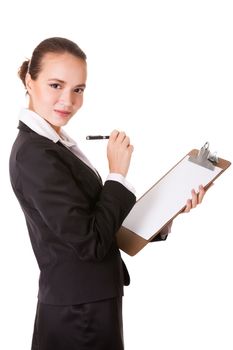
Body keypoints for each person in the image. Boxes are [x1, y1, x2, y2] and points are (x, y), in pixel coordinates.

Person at [9, 37, 206, 350]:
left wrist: (168, 209)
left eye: (78, 89)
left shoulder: (56, 147)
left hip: (88, 305)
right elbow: (90, 243)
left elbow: (100, 225)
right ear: (29, 82)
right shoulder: (35, 154)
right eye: (56, 85)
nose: (68, 101)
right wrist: (116, 174)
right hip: (78, 314)